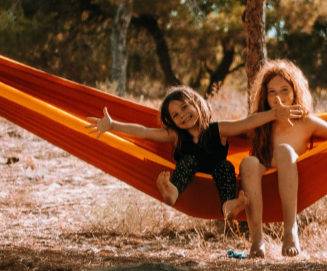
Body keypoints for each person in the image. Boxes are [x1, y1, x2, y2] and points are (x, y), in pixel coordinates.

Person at [86, 86, 304, 220]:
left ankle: (229, 206)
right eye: (175, 115)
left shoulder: (219, 129)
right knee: (188, 161)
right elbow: (144, 132)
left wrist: (274, 113)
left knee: (226, 167)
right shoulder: (175, 136)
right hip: (190, 180)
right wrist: (113, 126)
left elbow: (247, 123)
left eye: (184, 108)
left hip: (216, 176)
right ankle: (172, 191)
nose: (182, 116)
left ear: (197, 104)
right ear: (172, 122)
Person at [241, 60, 327, 257]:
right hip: (263, 181)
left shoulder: (306, 122)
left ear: (295, 91)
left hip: (291, 181)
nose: (278, 98)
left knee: (284, 151)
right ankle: (257, 241)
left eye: (285, 90)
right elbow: (225, 131)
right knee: (248, 162)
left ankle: (290, 231)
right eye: (272, 92)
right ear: (264, 97)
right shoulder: (259, 122)